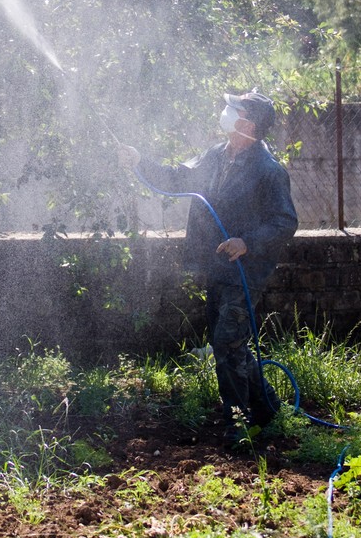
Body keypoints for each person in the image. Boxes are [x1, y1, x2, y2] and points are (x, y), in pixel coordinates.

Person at [118, 90, 298, 445]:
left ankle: (239, 423)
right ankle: (267, 409)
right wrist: (139, 160)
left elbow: (285, 221)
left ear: (248, 124)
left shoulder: (269, 171)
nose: (226, 113)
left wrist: (246, 241)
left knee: (226, 342)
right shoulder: (216, 156)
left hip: (245, 273)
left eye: (236, 110)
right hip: (218, 267)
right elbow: (176, 177)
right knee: (231, 344)